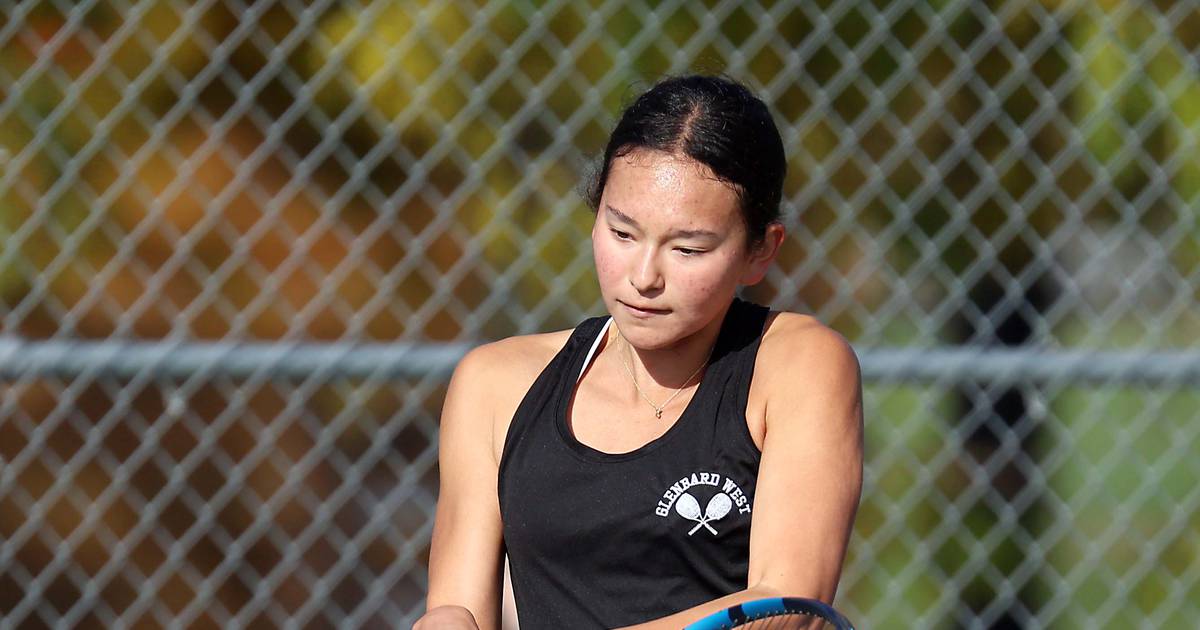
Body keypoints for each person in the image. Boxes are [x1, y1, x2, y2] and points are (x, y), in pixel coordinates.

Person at [415, 75, 863, 630]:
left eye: (688, 248)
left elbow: (785, 608)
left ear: (760, 251)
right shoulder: (494, 384)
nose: (643, 276)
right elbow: (456, 603)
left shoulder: (798, 366)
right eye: (622, 232)